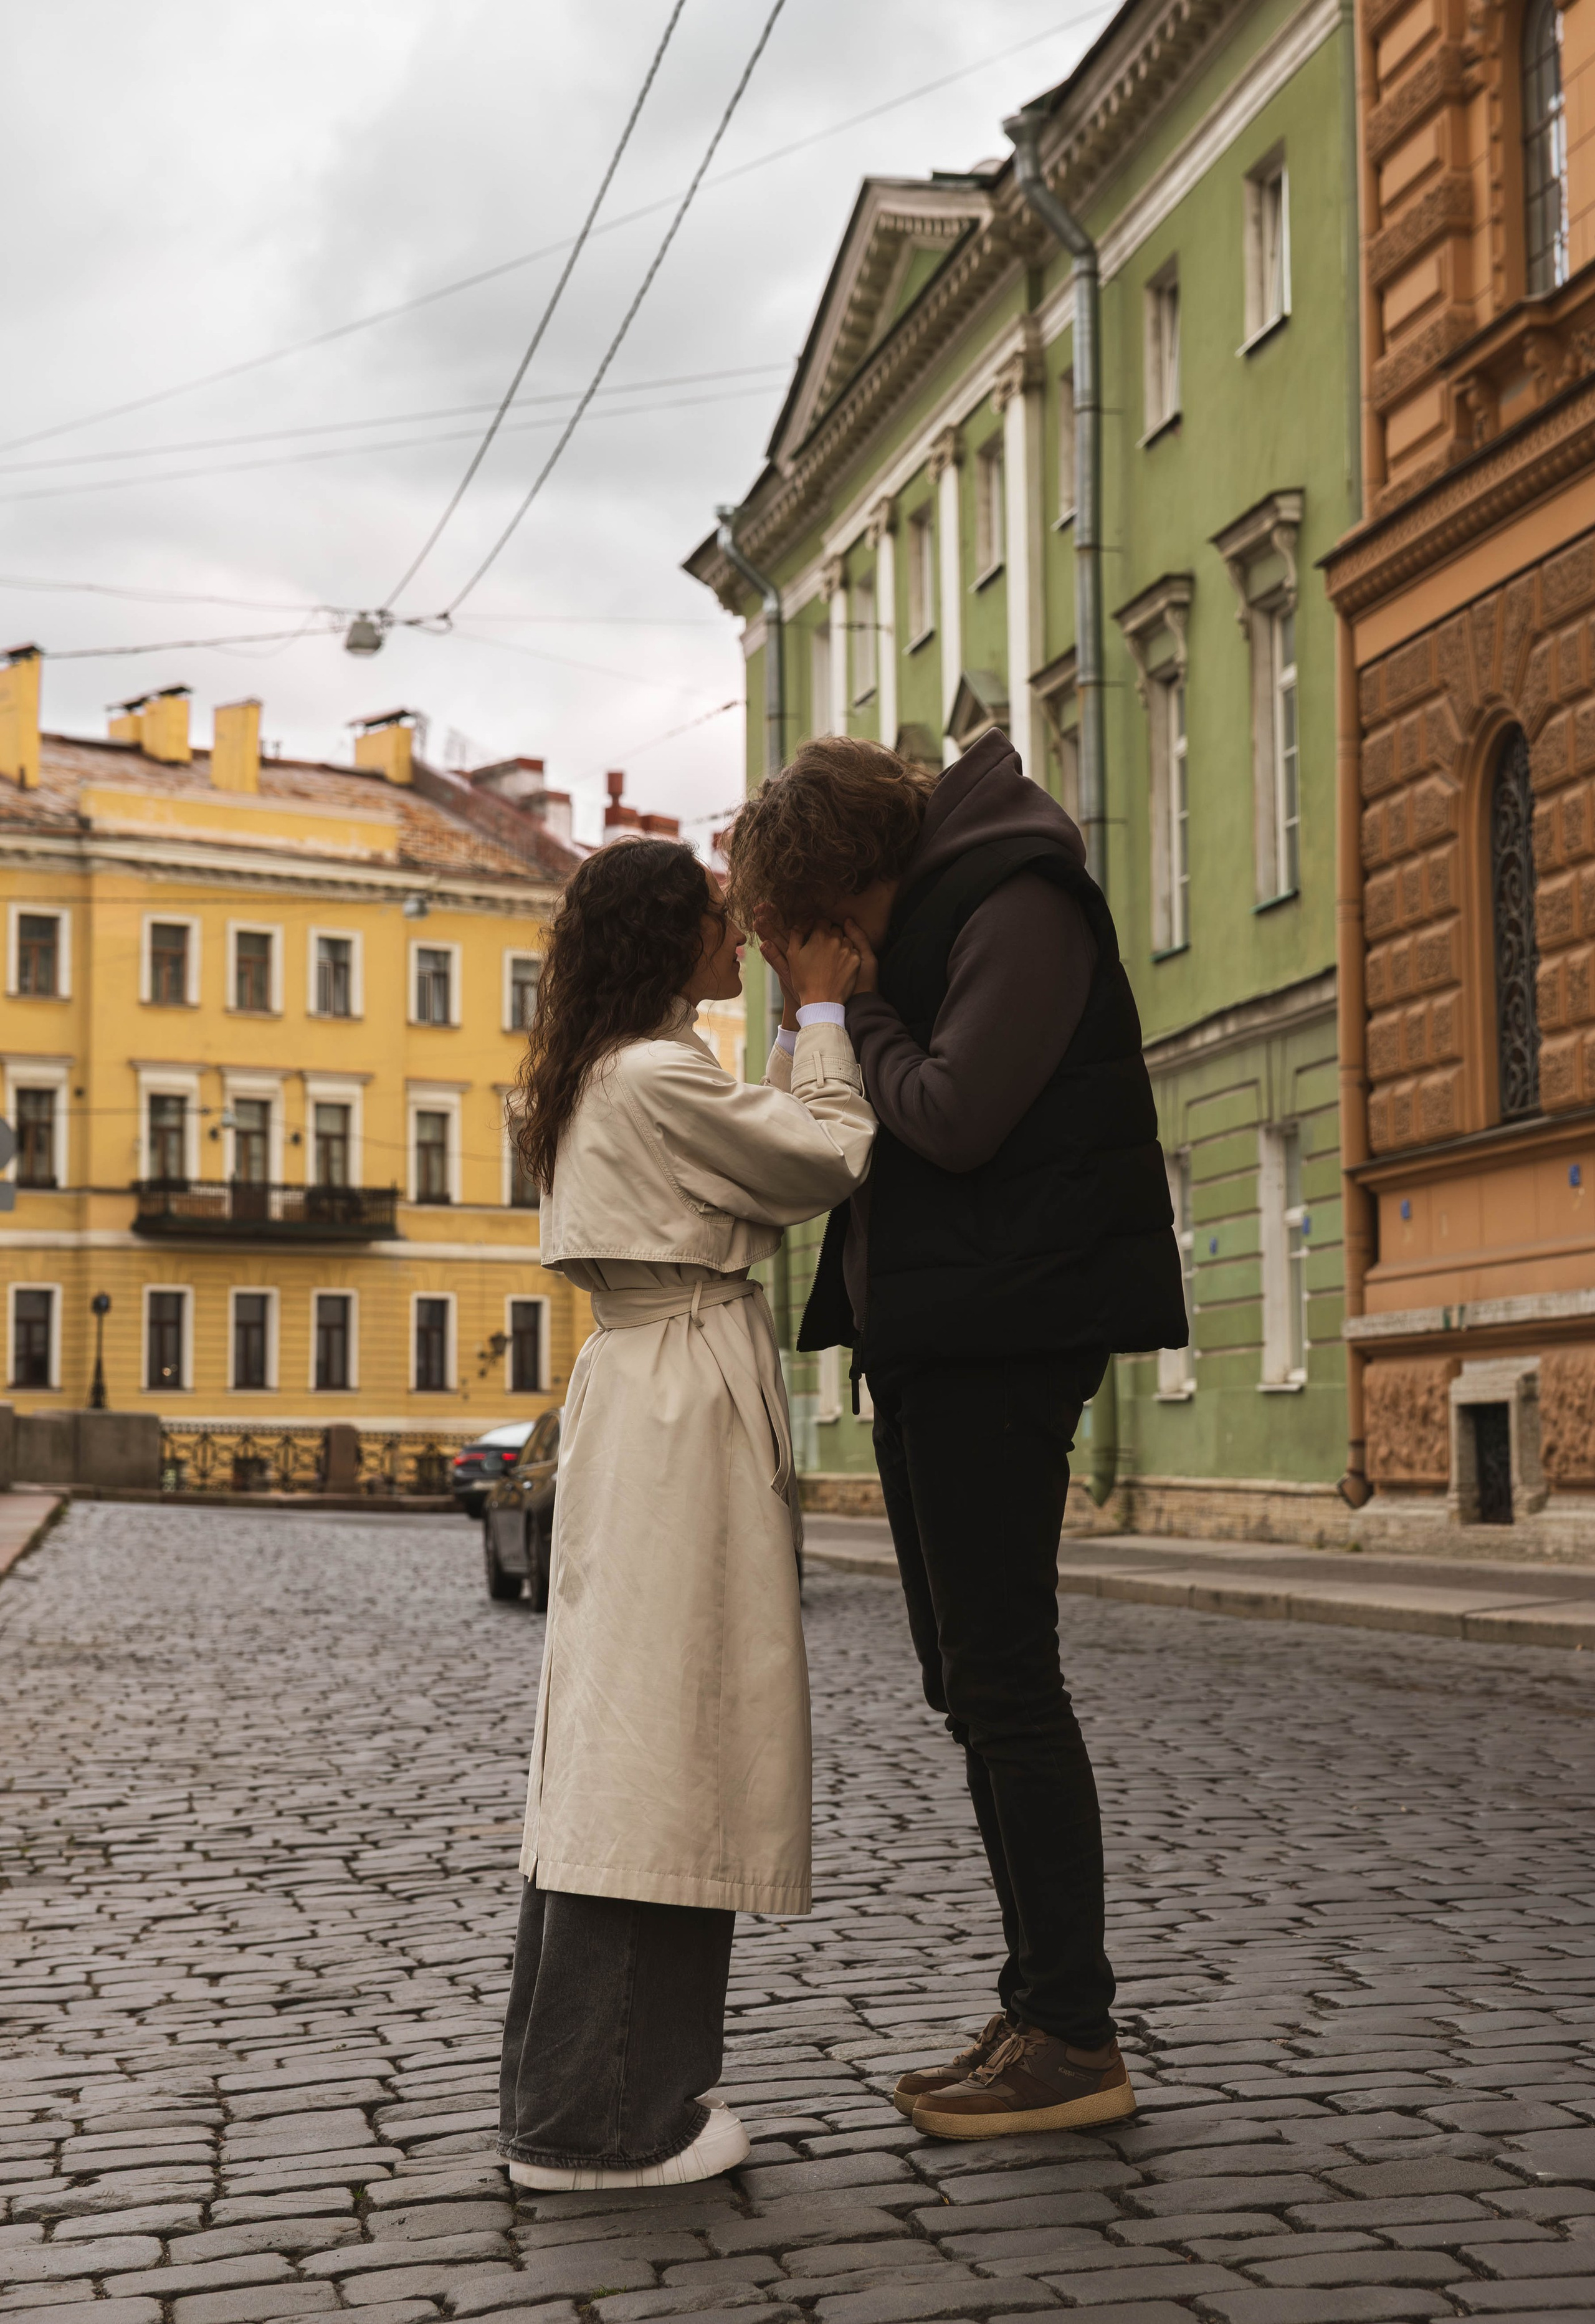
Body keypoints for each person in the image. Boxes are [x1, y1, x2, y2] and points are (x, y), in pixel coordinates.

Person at [723, 727, 1187, 2141]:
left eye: (829, 927)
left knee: (1007, 1682)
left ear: (861, 880)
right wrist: (841, 1011)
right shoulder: (952, 911)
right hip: (940, 1337)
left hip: (1004, 1336)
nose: (837, 952)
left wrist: (851, 1013)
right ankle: (1040, 2004)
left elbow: (956, 1113)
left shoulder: (1018, 900)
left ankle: (1075, 2033)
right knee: (967, 1683)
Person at [497, 835, 874, 2192]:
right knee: (663, 1743)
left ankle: (578, 2092)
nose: (739, 929)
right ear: (669, 938)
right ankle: (602, 2120)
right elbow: (822, 1156)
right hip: (677, 1406)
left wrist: (787, 1026)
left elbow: (745, 1155)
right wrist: (820, 1009)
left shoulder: (614, 1070)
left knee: (632, 1741)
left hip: (643, 1388)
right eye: (720, 915)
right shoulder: (656, 1075)